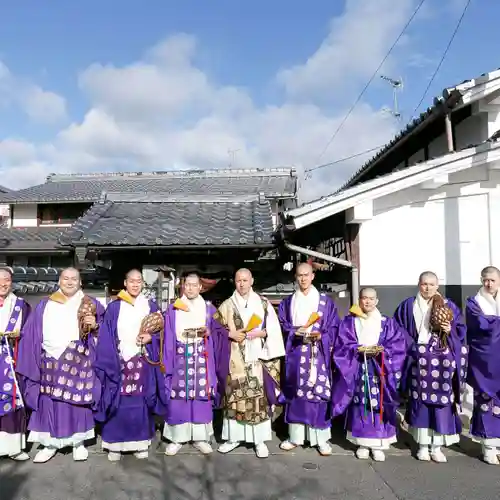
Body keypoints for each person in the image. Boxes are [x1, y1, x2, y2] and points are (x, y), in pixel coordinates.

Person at [16, 267, 104, 463]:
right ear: (59, 281)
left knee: (78, 403)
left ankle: (78, 443)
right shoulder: (44, 304)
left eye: (74, 279)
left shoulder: (91, 304)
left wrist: (96, 326)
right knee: (49, 402)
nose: (70, 282)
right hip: (50, 361)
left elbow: (105, 332)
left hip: (79, 361)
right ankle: (49, 444)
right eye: (66, 278)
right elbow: (30, 334)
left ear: (81, 282)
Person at [394, 271, 467, 463]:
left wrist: (450, 331)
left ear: (438, 286)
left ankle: (437, 447)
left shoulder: (448, 305)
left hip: (442, 365)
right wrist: (413, 348)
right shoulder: (408, 306)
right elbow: (398, 330)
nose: (428, 288)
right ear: (419, 284)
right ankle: (423, 446)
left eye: (432, 284)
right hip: (418, 361)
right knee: (421, 404)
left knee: (442, 405)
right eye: (424, 284)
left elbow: (460, 331)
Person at [94, 269, 164, 462]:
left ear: (143, 284)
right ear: (125, 283)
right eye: (131, 281)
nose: (135, 284)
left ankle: (140, 443)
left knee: (140, 401)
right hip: (120, 360)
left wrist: (151, 337)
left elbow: (162, 332)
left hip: (142, 360)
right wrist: (112, 358)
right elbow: (106, 335)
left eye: (138, 281)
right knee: (118, 401)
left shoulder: (150, 306)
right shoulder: (115, 307)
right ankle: (114, 444)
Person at [215, 268, 285, 458]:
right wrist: (230, 333)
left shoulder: (263, 304)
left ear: (252, 281)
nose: (242, 284)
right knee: (234, 397)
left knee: (257, 399)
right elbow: (215, 327)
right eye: (239, 280)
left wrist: (262, 333)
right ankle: (233, 438)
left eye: (245, 280)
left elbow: (273, 330)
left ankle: (259, 440)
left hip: (257, 357)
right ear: (234, 282)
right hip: (234, 358)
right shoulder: (227, 305)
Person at [332, 288, 406, 461]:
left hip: (380, 368)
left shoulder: (386, 322)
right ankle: (362, 444)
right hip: (358, 366)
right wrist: (356, 349)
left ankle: (379, 444)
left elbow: (397, 345)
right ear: (359, 300)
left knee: (378, 403)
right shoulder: (350, 321)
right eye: (364, 298)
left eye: (371, 299)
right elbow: (342, 344)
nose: (368, 302)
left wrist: (382, 351)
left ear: (377, 301)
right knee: (360, 403)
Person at [162, 272, 227, 456]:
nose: (190, 288)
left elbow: (220, 332)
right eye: (187, 285)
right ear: (183, 286)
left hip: (202, 356)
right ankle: (176, 438)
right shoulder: (173, 309)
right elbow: (167, 336)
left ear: (200, 287)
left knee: (201, 397)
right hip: (180, 356)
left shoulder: (209, 309)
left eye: (193, 285)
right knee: (178, 397)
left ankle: (201, 437)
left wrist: (209, 330)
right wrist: (169, 360)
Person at [277, 262, 339, 456]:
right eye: (299, 275)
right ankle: (295, 437)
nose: (303, 279)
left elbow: (333, 327)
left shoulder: (325, 302)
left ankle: (320, 438)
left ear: (313, 276)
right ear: (295, 277)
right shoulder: (288, 302)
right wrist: (295, 331)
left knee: (317, 393)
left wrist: (321, 336)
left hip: (317, 353)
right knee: (296, 394)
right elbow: (283, 324)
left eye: (306, 275)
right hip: (296, 352)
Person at [465, 266, 500, 465]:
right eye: (485, 280)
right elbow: (479, 324)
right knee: (486, 402)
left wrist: (494, 321)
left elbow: (490, 322)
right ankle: (488, 447)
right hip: (484, 361)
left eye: (493, 280)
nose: (489, 284)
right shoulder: (474, 302)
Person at [0, 268, 32, 461]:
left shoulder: (21, 306)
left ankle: (13, 448)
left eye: (6, 280)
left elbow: (30, 333)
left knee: (13, 401)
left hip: (12, 359)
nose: (2, 284)